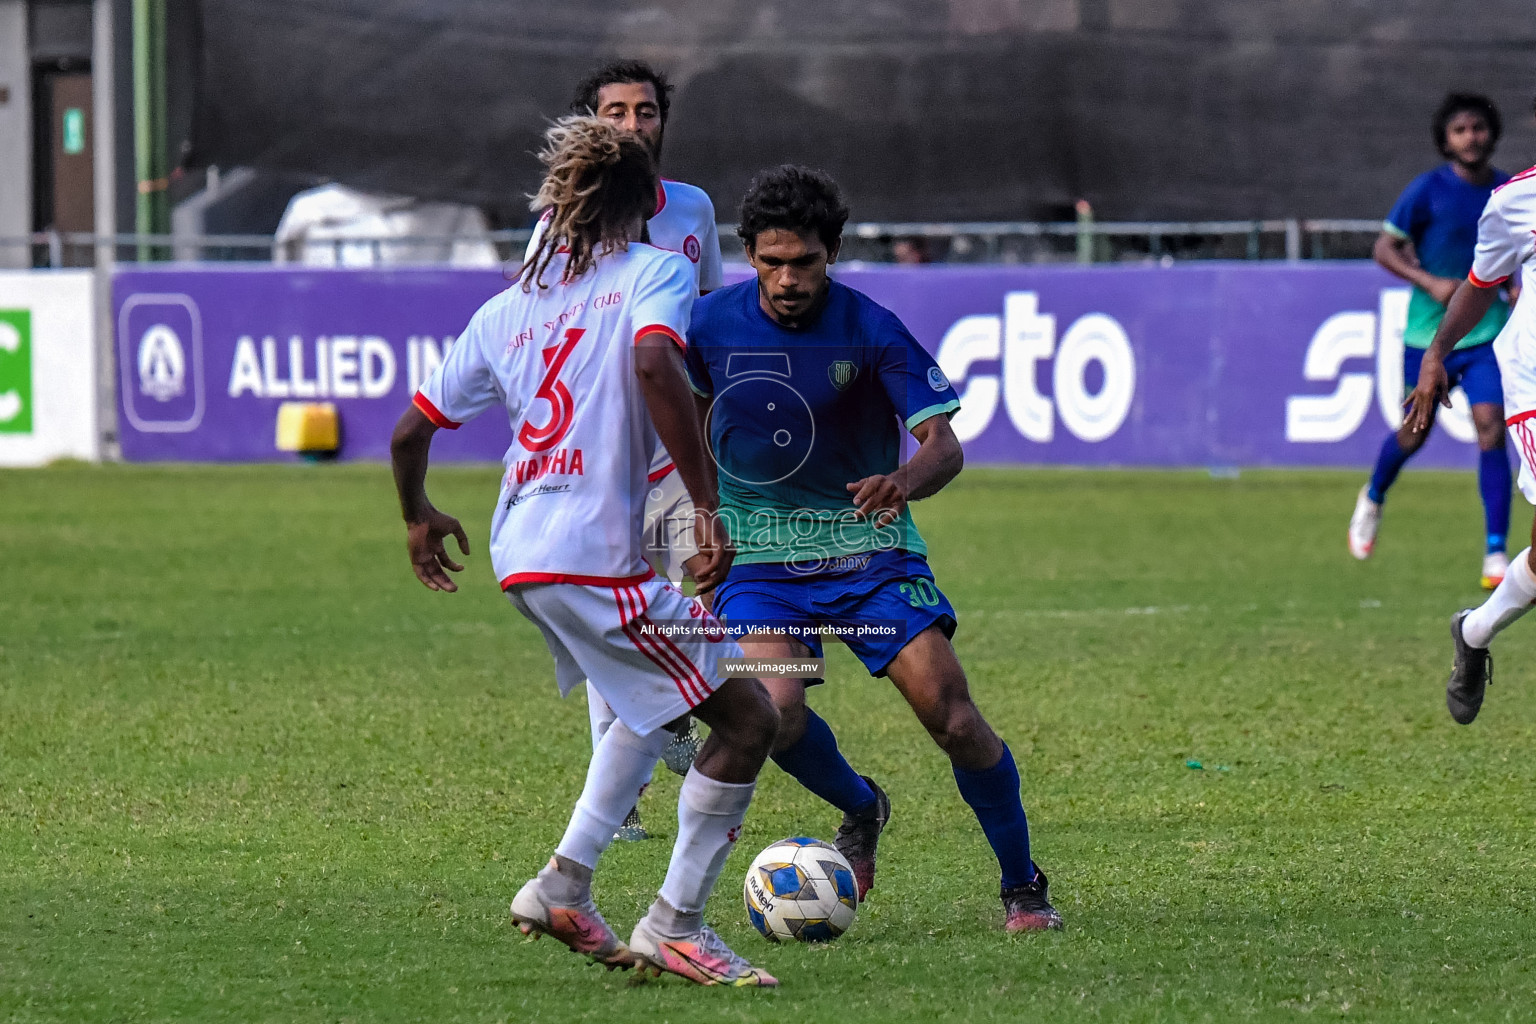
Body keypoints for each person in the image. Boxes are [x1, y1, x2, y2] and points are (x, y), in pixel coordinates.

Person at [390, 115, 780, 986]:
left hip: (520, 552)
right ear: (651, 203)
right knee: (752, 717)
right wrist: (708, 505)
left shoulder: (510, 305)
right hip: (595, 558)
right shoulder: (655, 270)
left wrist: (418, 515)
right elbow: (653, 365)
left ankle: (564, 885)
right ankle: (678, 924)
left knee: (645, 707)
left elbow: (412, 428)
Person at [683, 164, 1063, 932]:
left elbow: (943, 446)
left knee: (952, 718)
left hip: (869, 554)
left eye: (805, 262)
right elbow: (683, 424)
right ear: (748, 253)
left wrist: (902, 481)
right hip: (759, 561)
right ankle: (862, 804)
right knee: (773, 712)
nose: (788, 279)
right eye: (772, 261)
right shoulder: (706, 325)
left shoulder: (870, 326)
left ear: (833, 254)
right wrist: (701, 517)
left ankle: (1022, 886)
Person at [527, 59, 725, 843]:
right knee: (621, 618)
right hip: (602, 453)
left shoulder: (694, 210)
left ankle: (679, 759)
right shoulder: (558, 220)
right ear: (591, 121)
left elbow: (705, 325)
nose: (633, 125)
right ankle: (638, 785)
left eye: (645, 111)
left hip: (676, 448)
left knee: (696, 611)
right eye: (616, 111)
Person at [1350, 93, 1516, 589]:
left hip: (1487, 332)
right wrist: (1430, 283)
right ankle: (1375, 494)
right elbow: (1385, 246)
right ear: (1445, 139)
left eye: (1479, 127)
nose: (1471, 137)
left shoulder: (1509, 191)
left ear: (1492, 133)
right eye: (1461, 129)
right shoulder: (1427, 190)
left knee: (1491, 426)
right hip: (1431, 336)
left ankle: (1495, 552)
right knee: (1414, 432)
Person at [1408, 98, 1536, 726]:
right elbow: (1482, 283)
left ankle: (1476, 632)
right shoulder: (1518, 201)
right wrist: (1437, 352)